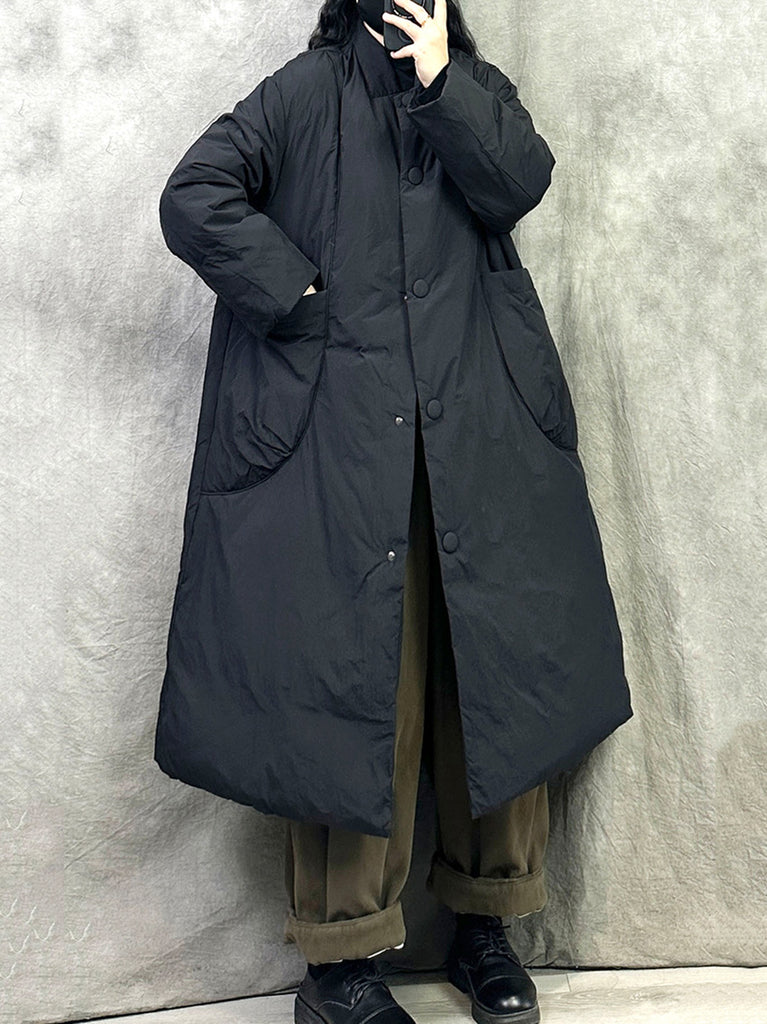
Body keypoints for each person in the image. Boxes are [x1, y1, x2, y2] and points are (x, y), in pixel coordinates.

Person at [155, 0, 635, 1021]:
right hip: (343, 450)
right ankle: (339, 966)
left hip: (482, 435)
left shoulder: (474, 86)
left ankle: (486, 925)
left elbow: (518, 181)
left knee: (497, 671)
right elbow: (193, 195)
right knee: (356, 683)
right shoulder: (302, 94)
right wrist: (294, 292)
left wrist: (442, 83)